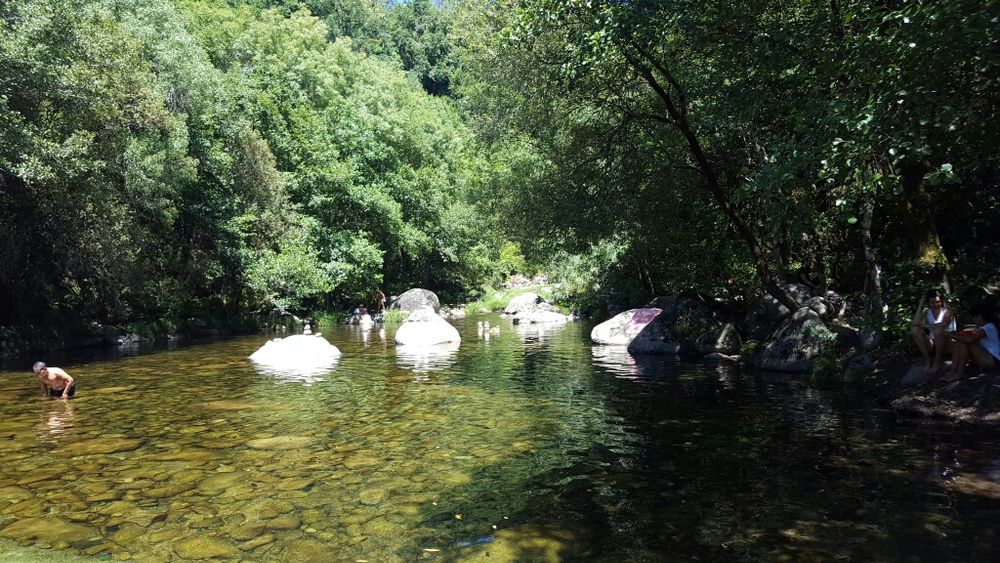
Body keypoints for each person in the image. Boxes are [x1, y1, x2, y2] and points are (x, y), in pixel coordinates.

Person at [943, 302, 999, 381]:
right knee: (959, 342)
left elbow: (970, 340)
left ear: (979, 316)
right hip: (989, 357)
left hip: (994, 361)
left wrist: (950, 336)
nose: (973, 320)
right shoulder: (985, 327)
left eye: (973, 317)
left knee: (964, 343)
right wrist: (957, 335)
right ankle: (953, 371)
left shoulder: (988, 327)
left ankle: (959, 373)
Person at [910, 290, 956, 374]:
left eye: (937, 302)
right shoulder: (927, 312)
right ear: (928, 303)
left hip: (948, 343)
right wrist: (920, 304)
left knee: (939, 330)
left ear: (942, 301)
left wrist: (924, 326)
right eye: (932, 302)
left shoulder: (948, 311)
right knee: (915, 330)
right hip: (933, 344)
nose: (935, 304)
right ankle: (927, 360)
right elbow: (915, 323)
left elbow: (943, 324)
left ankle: (937, 362)